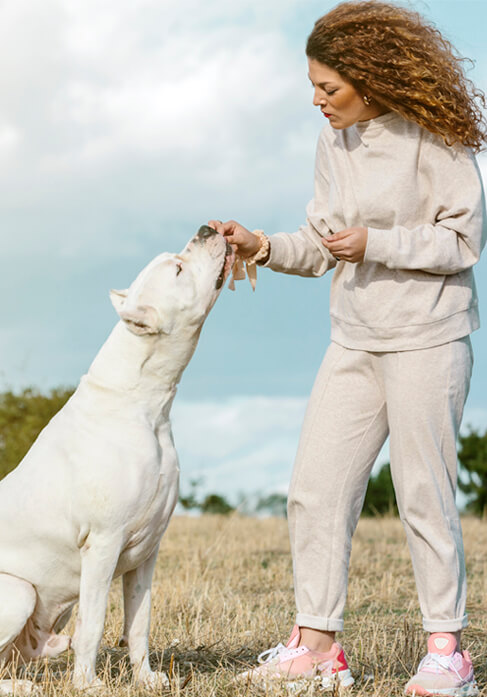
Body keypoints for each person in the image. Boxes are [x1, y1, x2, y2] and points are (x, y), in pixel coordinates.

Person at [210, 1, 486, 694]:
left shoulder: (436, 137)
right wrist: (264, 246)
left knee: (424, 494)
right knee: (315, 487)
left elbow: (461, 244)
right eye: (314, 86)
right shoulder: (334, 144)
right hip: (354, 338)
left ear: (370, 77)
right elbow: (321, 245)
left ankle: (445, 650)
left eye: (327, 87)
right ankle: (316, 645)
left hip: (428, 336)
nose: (316, 100)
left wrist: (378, 243)